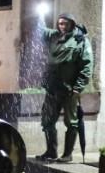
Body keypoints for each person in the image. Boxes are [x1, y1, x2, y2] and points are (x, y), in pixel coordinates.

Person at [36, 13, 93, 163]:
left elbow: (87, 66)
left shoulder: (80, 40)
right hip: (52, 88)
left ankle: (67, 154)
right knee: (47, 120)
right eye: (60, 23)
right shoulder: (54, 36)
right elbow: (41, 31)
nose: (62, 26)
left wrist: (78, 88)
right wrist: (39, 15)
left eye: (65, 24)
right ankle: (51, 151)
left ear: (72, 24)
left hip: (69, 90)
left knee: (72, 122)